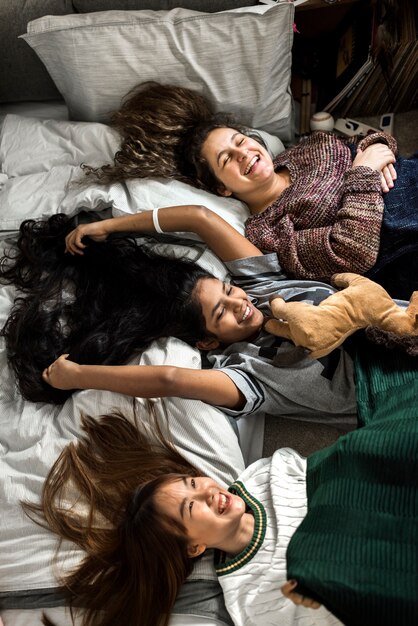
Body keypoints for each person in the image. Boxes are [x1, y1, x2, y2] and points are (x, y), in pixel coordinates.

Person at [29, 376, 418, 626]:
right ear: (194, 546)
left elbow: (334, 468)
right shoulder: (248, 596)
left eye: (193, 481)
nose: (208, 490)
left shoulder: (259, 477)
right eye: (191, 506)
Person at [89, 82, 418, 300]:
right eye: (226, 159)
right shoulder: (266, 232)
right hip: (403, 238)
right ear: (222, 188)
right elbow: (351, 252)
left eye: (240, 141)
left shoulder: (305, 148)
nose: (243, 153)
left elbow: (363, 142)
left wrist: (379, 148)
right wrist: (364, 173)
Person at [30, 205, 358, 421]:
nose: (238, 305)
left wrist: (108, 226)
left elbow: (199, 218)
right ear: (207, 343)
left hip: (391, 323)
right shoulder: (247, 373)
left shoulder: (261, 288)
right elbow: (169, 379)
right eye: (221, 314)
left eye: (229, 292)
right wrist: (77, 375)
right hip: (380, 389)